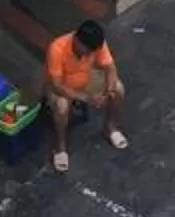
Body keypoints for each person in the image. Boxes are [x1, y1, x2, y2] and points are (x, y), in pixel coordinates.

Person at [44, 18, 129, 172]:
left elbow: (110, 69)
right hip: (63, 87)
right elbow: (56, 84)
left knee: (119, 88)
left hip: (86, 79)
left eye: (92, 51)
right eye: (87, 50)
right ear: (76, 40)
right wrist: (86, 98)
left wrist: (107, 92)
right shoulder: (57, 48)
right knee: (62, 106)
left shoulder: (97, 45)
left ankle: (110, 128)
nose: (89, 54)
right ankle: (61, 147)